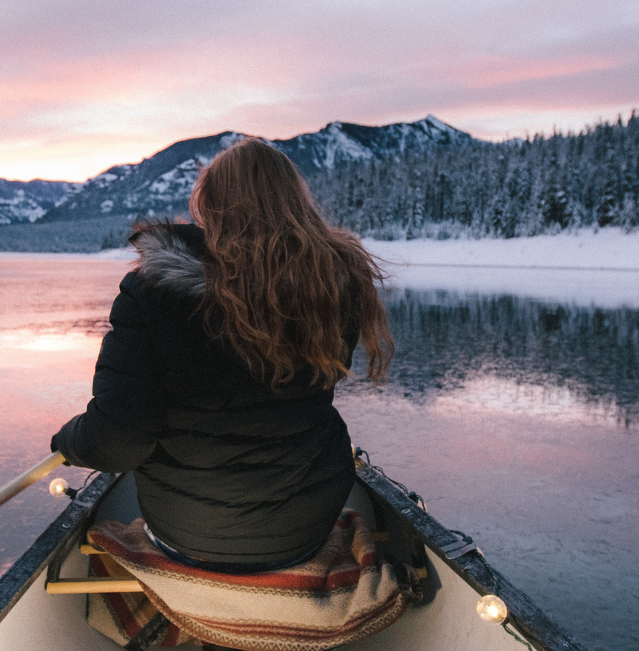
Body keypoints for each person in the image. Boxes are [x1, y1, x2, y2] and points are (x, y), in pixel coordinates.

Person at [51, 135, 392, 592]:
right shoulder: (330, 289)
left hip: (189, 537)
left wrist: (67, 441)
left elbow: (118, 442)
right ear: (295, 203)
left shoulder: (153, 292)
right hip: (304, 532)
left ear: (208, 208)